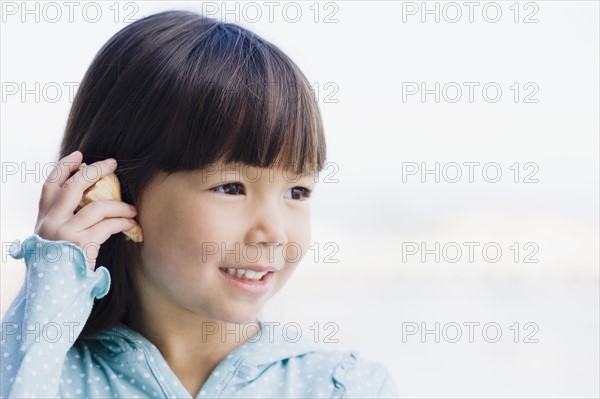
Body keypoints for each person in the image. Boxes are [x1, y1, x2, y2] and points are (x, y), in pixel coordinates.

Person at [1, 10, 399, 398]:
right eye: (231, 187)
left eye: (297, 192)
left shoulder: (344, 387)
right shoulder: (46, 371)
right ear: (117, 192)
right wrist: (50, 293)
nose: (275, 232)